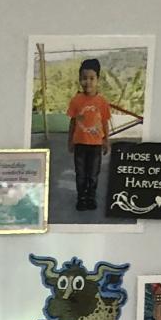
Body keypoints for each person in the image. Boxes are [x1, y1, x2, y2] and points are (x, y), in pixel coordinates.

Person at [66, 59, 120, 213]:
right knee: (80, 174)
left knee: (93, 175)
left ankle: (91, 197)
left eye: (91, 78)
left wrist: (106, 141)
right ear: (79, 79)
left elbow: (104, 122)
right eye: (84, 78)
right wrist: (70, 141)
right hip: (80, 145)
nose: (87, 82)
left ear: (98, 79)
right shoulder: (76, 101)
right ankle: (81, 198)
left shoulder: (102, 102)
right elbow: (72, 122)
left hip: (96, 146)